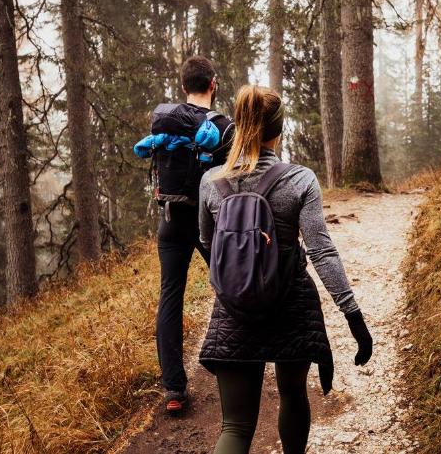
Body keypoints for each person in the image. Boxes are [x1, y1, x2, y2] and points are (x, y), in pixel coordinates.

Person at [197, 85, 373, 453]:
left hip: (234, 311)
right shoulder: (300, 179)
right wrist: (352, 315)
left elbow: (209, 243)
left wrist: (238, 278)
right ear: (279, 130)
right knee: (293, 395)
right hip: (289, 304)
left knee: (235, 426)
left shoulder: (211, 182)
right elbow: (322, 251)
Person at [155, 56, 233, 412]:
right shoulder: (224, 127)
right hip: (209, 222)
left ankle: (174, 389)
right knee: (229, 284)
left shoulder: (168, 122)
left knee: (171, 295)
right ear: (213, 84)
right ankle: (233, 360)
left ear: (184, 86)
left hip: (171, 219)